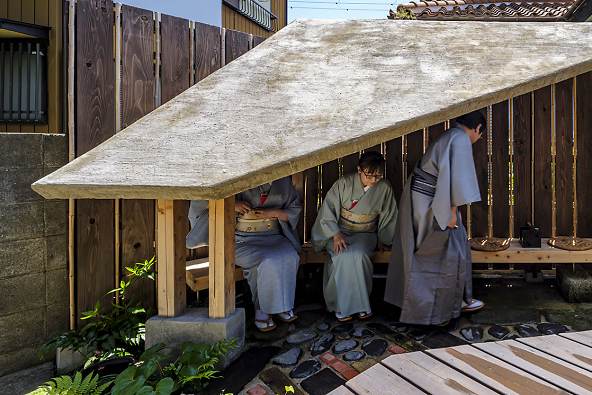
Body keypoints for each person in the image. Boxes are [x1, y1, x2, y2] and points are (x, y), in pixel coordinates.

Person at [385, 111, 486, 325]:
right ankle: (433, 312)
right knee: (436, 251)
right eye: (481, 135)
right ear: (477, 128)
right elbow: (453, 177)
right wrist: (450, 212)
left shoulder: (450, 135)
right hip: (430, 202)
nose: (478, 139)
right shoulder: (460, 139)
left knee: (457, 242)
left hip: (425, 197)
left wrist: (451, 209)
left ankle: (457, 300)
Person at [186, 176, 301, 332]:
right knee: (266, 260)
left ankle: (281, 306)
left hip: (273, 234)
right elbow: (200, 201)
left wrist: (274, 212)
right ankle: (263, 310)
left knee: (290, 256)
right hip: (240, 239)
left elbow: (293, 211)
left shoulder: (283, 181)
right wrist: (232, 203)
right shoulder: (239, 177)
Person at [311, 151, 398, 321]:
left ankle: (360, 305)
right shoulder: (343, 184)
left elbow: (389, 215)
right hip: (338, 232)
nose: (373, 180)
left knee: (358, 254)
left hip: (365, 233)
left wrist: (382, 238)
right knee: (341, 254)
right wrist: (335, 234)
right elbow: (327, 210)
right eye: (369, 176)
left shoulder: (384, 187)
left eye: (378, 176)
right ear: (359, 169)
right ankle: (341, 306)